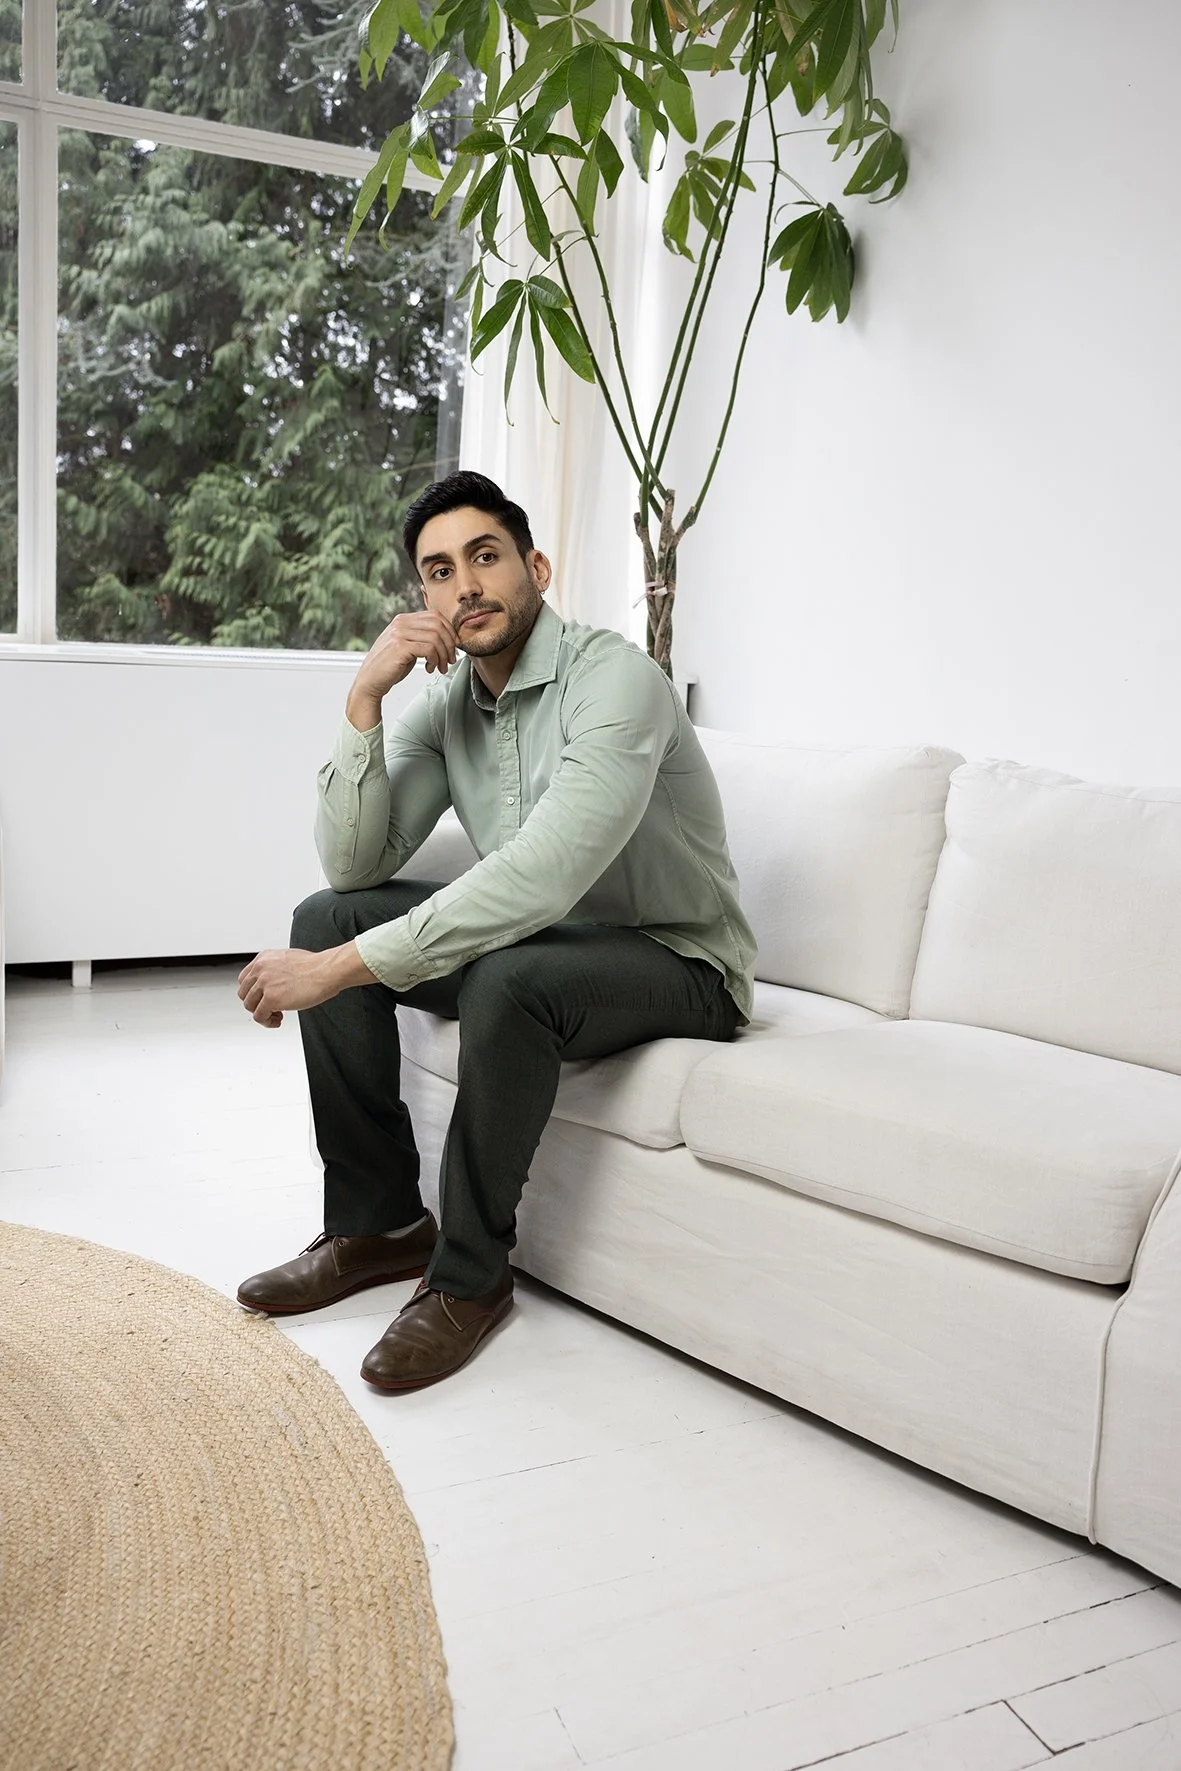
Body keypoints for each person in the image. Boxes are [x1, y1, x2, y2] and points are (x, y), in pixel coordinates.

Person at [235, 471, 756, 1390]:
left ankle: (470, 1280)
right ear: (423, 598)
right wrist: (364, 699)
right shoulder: (449, 706)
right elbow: (352, 868)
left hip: (677, 962)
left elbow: (544, 877)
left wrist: (339, 971)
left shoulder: (615, 680)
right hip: (541, 947)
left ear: (535, 568)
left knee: (499, 976)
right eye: (439, 571)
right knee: (325, 918)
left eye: (484, 556)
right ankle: (379, 1226)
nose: (465, 585)